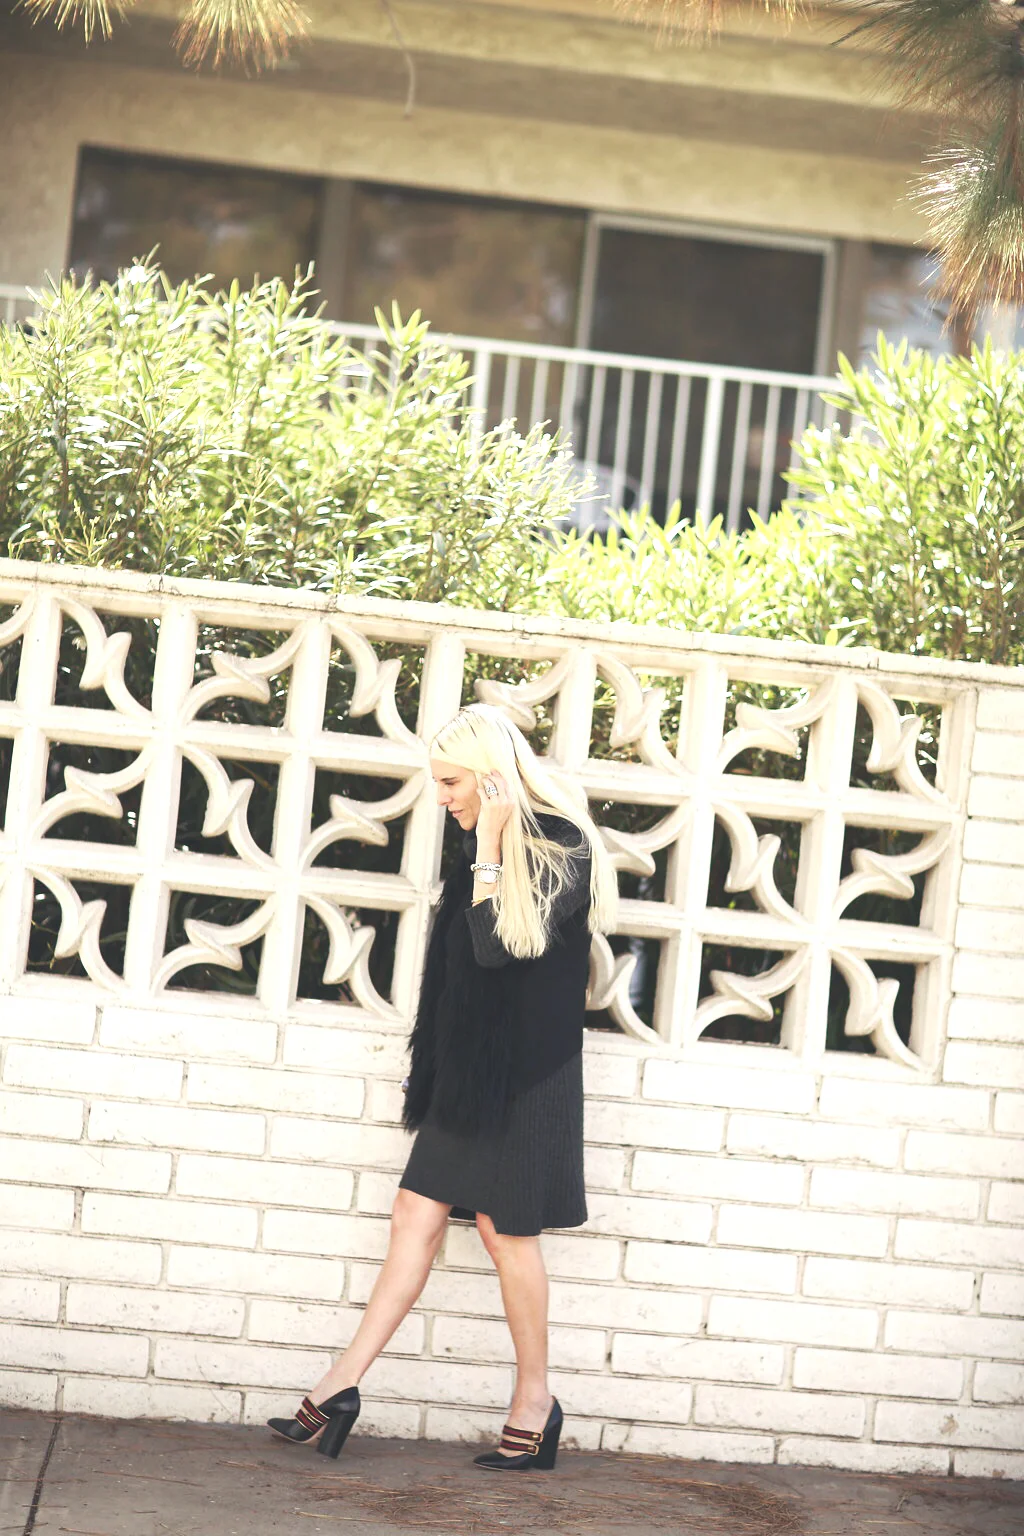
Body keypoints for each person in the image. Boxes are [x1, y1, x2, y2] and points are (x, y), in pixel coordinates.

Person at [267, 702, 618, 1469]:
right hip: (469, 1073)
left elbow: (495, 950)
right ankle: (340, 1385)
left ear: (493, 777)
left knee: (503, 1231)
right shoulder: (474, 848)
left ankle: (536, 1402)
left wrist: (490, 843)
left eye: (452, 782)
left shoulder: (563, 846)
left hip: (528, 1074)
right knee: (413, 1213)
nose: (443, 796)